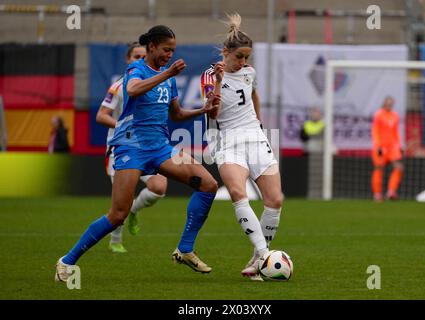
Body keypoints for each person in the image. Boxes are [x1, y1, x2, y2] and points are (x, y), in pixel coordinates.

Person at [55, 25, 221, 282]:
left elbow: (176, 115)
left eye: (173, 51)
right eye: (166, 49)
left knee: (208, 184)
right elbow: (132, 90)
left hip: (161, 147)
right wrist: (167, 73)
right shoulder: (137, 69)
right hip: (131, 147)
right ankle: (67, 261)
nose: (169, 54)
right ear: (152, 46)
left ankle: (185, 249)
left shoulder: (169, 79)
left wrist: (202, 109)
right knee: (118, 214)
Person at [201, 13, 282, 281]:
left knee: (275, 200)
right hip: (227, 141)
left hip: (256, 138)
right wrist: (219, 84)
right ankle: (264, 254)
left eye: (247, 58)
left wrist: (258, 121)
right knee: (238, 193)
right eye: (239, 57)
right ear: (226, 52)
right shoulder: (210, 76)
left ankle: (258, 259)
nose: (243, 62)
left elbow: (254, 94)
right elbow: (212, 114)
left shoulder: (249, 73)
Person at [96, 42, 168, 253]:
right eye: (135, 56)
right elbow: (101, 115)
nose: (139, 59)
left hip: (147, 147)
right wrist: (124, 124)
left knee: (159, 188)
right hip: (122, 148)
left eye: (142, 56)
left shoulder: (154, 84)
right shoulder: (118, 86)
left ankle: (134, 211)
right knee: (120, 206)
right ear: (128, 60)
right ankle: (115, 239)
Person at [371, 96, 403, 201]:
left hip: (392, 147)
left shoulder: (395, 116)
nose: (389, 105)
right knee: (379, 168)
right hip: (381, 146)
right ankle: (377, 194)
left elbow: (396, 132)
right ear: (384, 103)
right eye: (388, 103)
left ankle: (391, 191)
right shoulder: (378, 114)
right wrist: (378, 145)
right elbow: (375, 131)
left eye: (391, 103)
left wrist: (399, 146)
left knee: (398, 167)